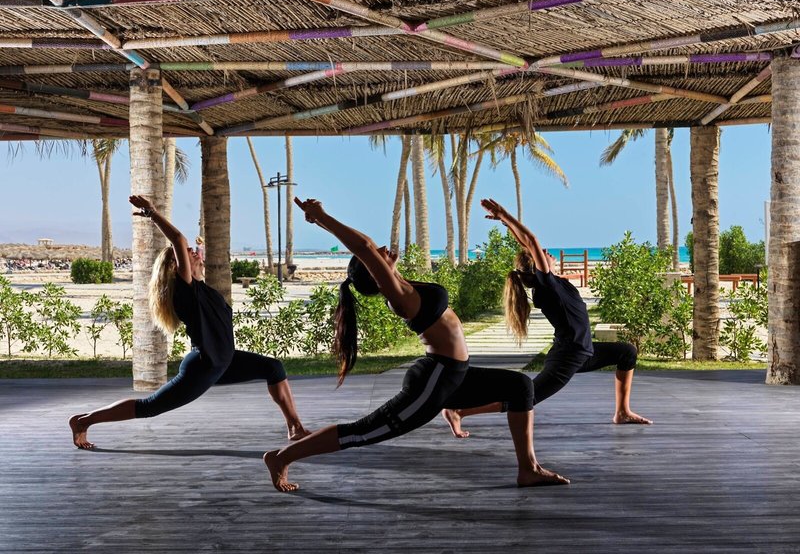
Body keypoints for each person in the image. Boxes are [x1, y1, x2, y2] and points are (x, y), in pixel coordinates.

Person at [263, 197, 567, 492]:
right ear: (375, 272)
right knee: (363, 431)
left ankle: (528, 469)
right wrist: (322, 217)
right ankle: (281, 457)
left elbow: (367, 245)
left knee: (519, 386)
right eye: (377, 256)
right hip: (435, 381)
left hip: (455, 374)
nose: (381, 248)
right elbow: (363, 247)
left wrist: (319, 221)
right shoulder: (398, 296)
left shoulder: (403, 284)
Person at [69, 195, 309, 450]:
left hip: (224, 360)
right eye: (188, 253)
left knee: (273, 368)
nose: (194, 252)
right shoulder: (185, 289)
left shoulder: (202, 289)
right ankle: (84, 421)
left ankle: (295, 427)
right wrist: (151, 213)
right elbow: (178, 239)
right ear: (176, 265)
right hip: (205, 365)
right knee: (150, 407)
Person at [442, 198, 651, 438]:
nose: (547, 252)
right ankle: (459, 411)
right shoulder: (547, 286)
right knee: (527, 397)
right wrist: (505, 215)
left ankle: (622, 412)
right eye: (542, 254)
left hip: (584, 351)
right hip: (569, 356)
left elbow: (527, 244)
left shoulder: (551, 283)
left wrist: (506, 224)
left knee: (626, 352)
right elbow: (531, 241)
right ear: (537, 267)